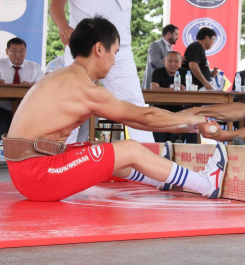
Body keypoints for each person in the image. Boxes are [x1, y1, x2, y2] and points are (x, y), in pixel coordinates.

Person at [1, 16, 227, 202]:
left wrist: (183, 125)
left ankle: (162, 178)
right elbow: (145, 116)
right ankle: (206, 184)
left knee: (100, 151)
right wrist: (192, 117)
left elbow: (131, 118)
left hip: (28, 172)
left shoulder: (64, 77)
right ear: (99, 48)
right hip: (37, 175)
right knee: (129, 148)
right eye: (115, 52)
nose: (114, 60)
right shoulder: (82, 87)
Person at [50, 0, 171, 143]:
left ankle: (149, 161)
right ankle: (61, 160)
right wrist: (63, 26)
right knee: (70, 105)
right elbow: (56, 2)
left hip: (118, 50)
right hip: (83, 48)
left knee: (134, 105)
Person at [151, 51, 198, 143]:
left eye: (176, 61)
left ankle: (190, 152)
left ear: (180, 63)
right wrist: (171, 90)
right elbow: (153, 88)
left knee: (193, 122)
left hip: (181, 110)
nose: (173, 64)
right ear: (164, 61)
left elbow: (191, 89)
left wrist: (184, 90)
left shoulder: (186, 73)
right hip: (162, 110)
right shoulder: (158, 72)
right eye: (170, 61)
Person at [0, 37, 44, 136]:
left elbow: (43, 84)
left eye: (22, 51)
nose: (18, 55)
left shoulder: (34, 67)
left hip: (26, 111)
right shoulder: (1, 64)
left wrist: (31, 85)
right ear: (7, 52)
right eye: (14, 51)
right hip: (2, 109)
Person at [142, 24, 179, 90]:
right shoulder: (155, 45)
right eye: (176, 34)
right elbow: (154, 61)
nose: (177, 37)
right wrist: (172, 67)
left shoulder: (171, 50)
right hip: (153, 85)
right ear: (169, 34)